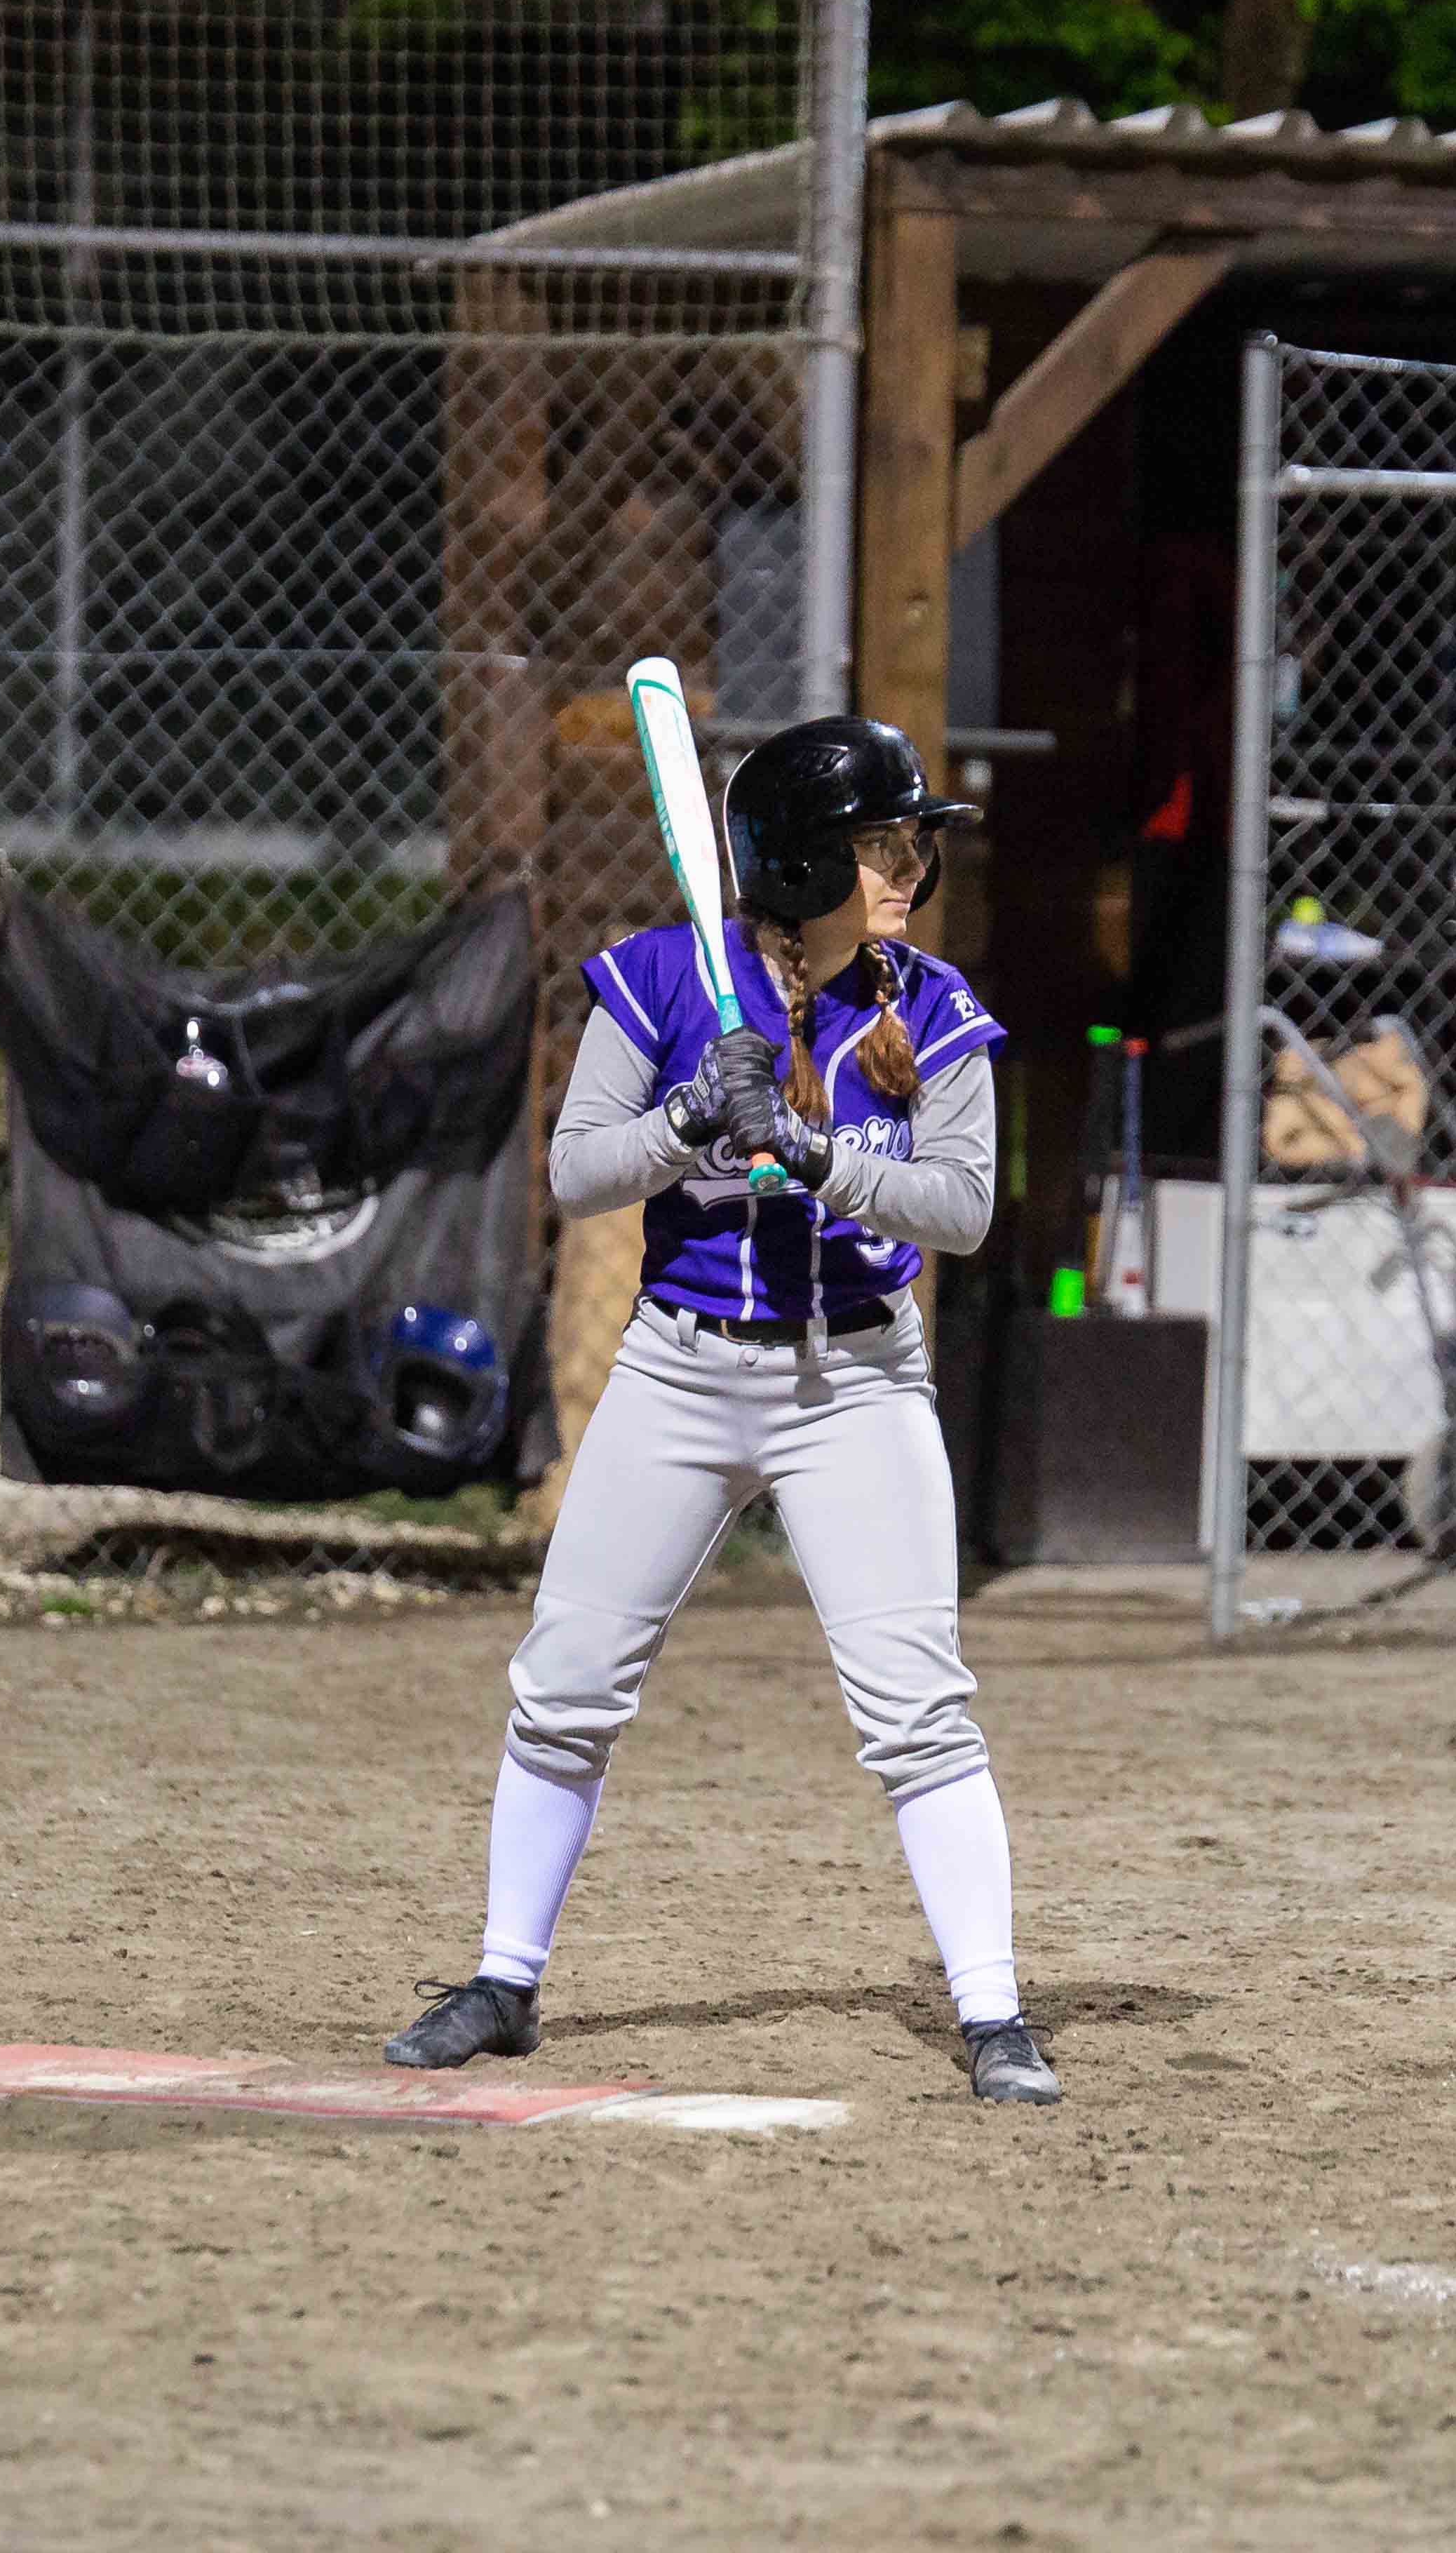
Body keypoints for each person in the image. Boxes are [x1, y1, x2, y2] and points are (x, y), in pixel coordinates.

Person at [379, 714, 1059, 2105]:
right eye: (881, 846)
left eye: (912, 845)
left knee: (919, 1711)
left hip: (855, 1380)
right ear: (801, 863)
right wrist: (691, 1118)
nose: (910, 870)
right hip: (681, 1371)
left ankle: (993, 2014)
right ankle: (504, 1980)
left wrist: (814, 1156)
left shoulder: (933, 1008)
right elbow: (579, 1172)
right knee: (566, 1683)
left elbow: (964, 1208)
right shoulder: (659, 980)